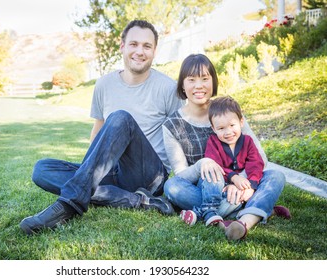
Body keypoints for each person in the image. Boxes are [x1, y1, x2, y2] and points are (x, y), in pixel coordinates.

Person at [19, 20, 184, 235]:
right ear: (122, 46)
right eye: (133, 44)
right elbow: (97, 130)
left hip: (150, 176)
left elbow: (181, 135)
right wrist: (88, 174)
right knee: (42, 170)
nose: (139, 51)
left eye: (147, 46)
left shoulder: (168, 88)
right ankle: (138, 202)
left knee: (121, 118)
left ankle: (69, 205)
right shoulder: (104, 85)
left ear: (154, 51)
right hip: (112, 170)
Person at [162, 54, 290, 241]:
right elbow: (181, 175)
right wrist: (202, 165)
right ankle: (257, 208)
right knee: (172, 186)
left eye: (205, 79)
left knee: (275, 176)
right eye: (191, 80)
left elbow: (259, 157)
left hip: (241, 181)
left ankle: (238, 219)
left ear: (213, 81)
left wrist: (242, 184)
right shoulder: (172, 125)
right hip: (206, 186)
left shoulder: (227, 111)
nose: (199, 86)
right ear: (182, 84)